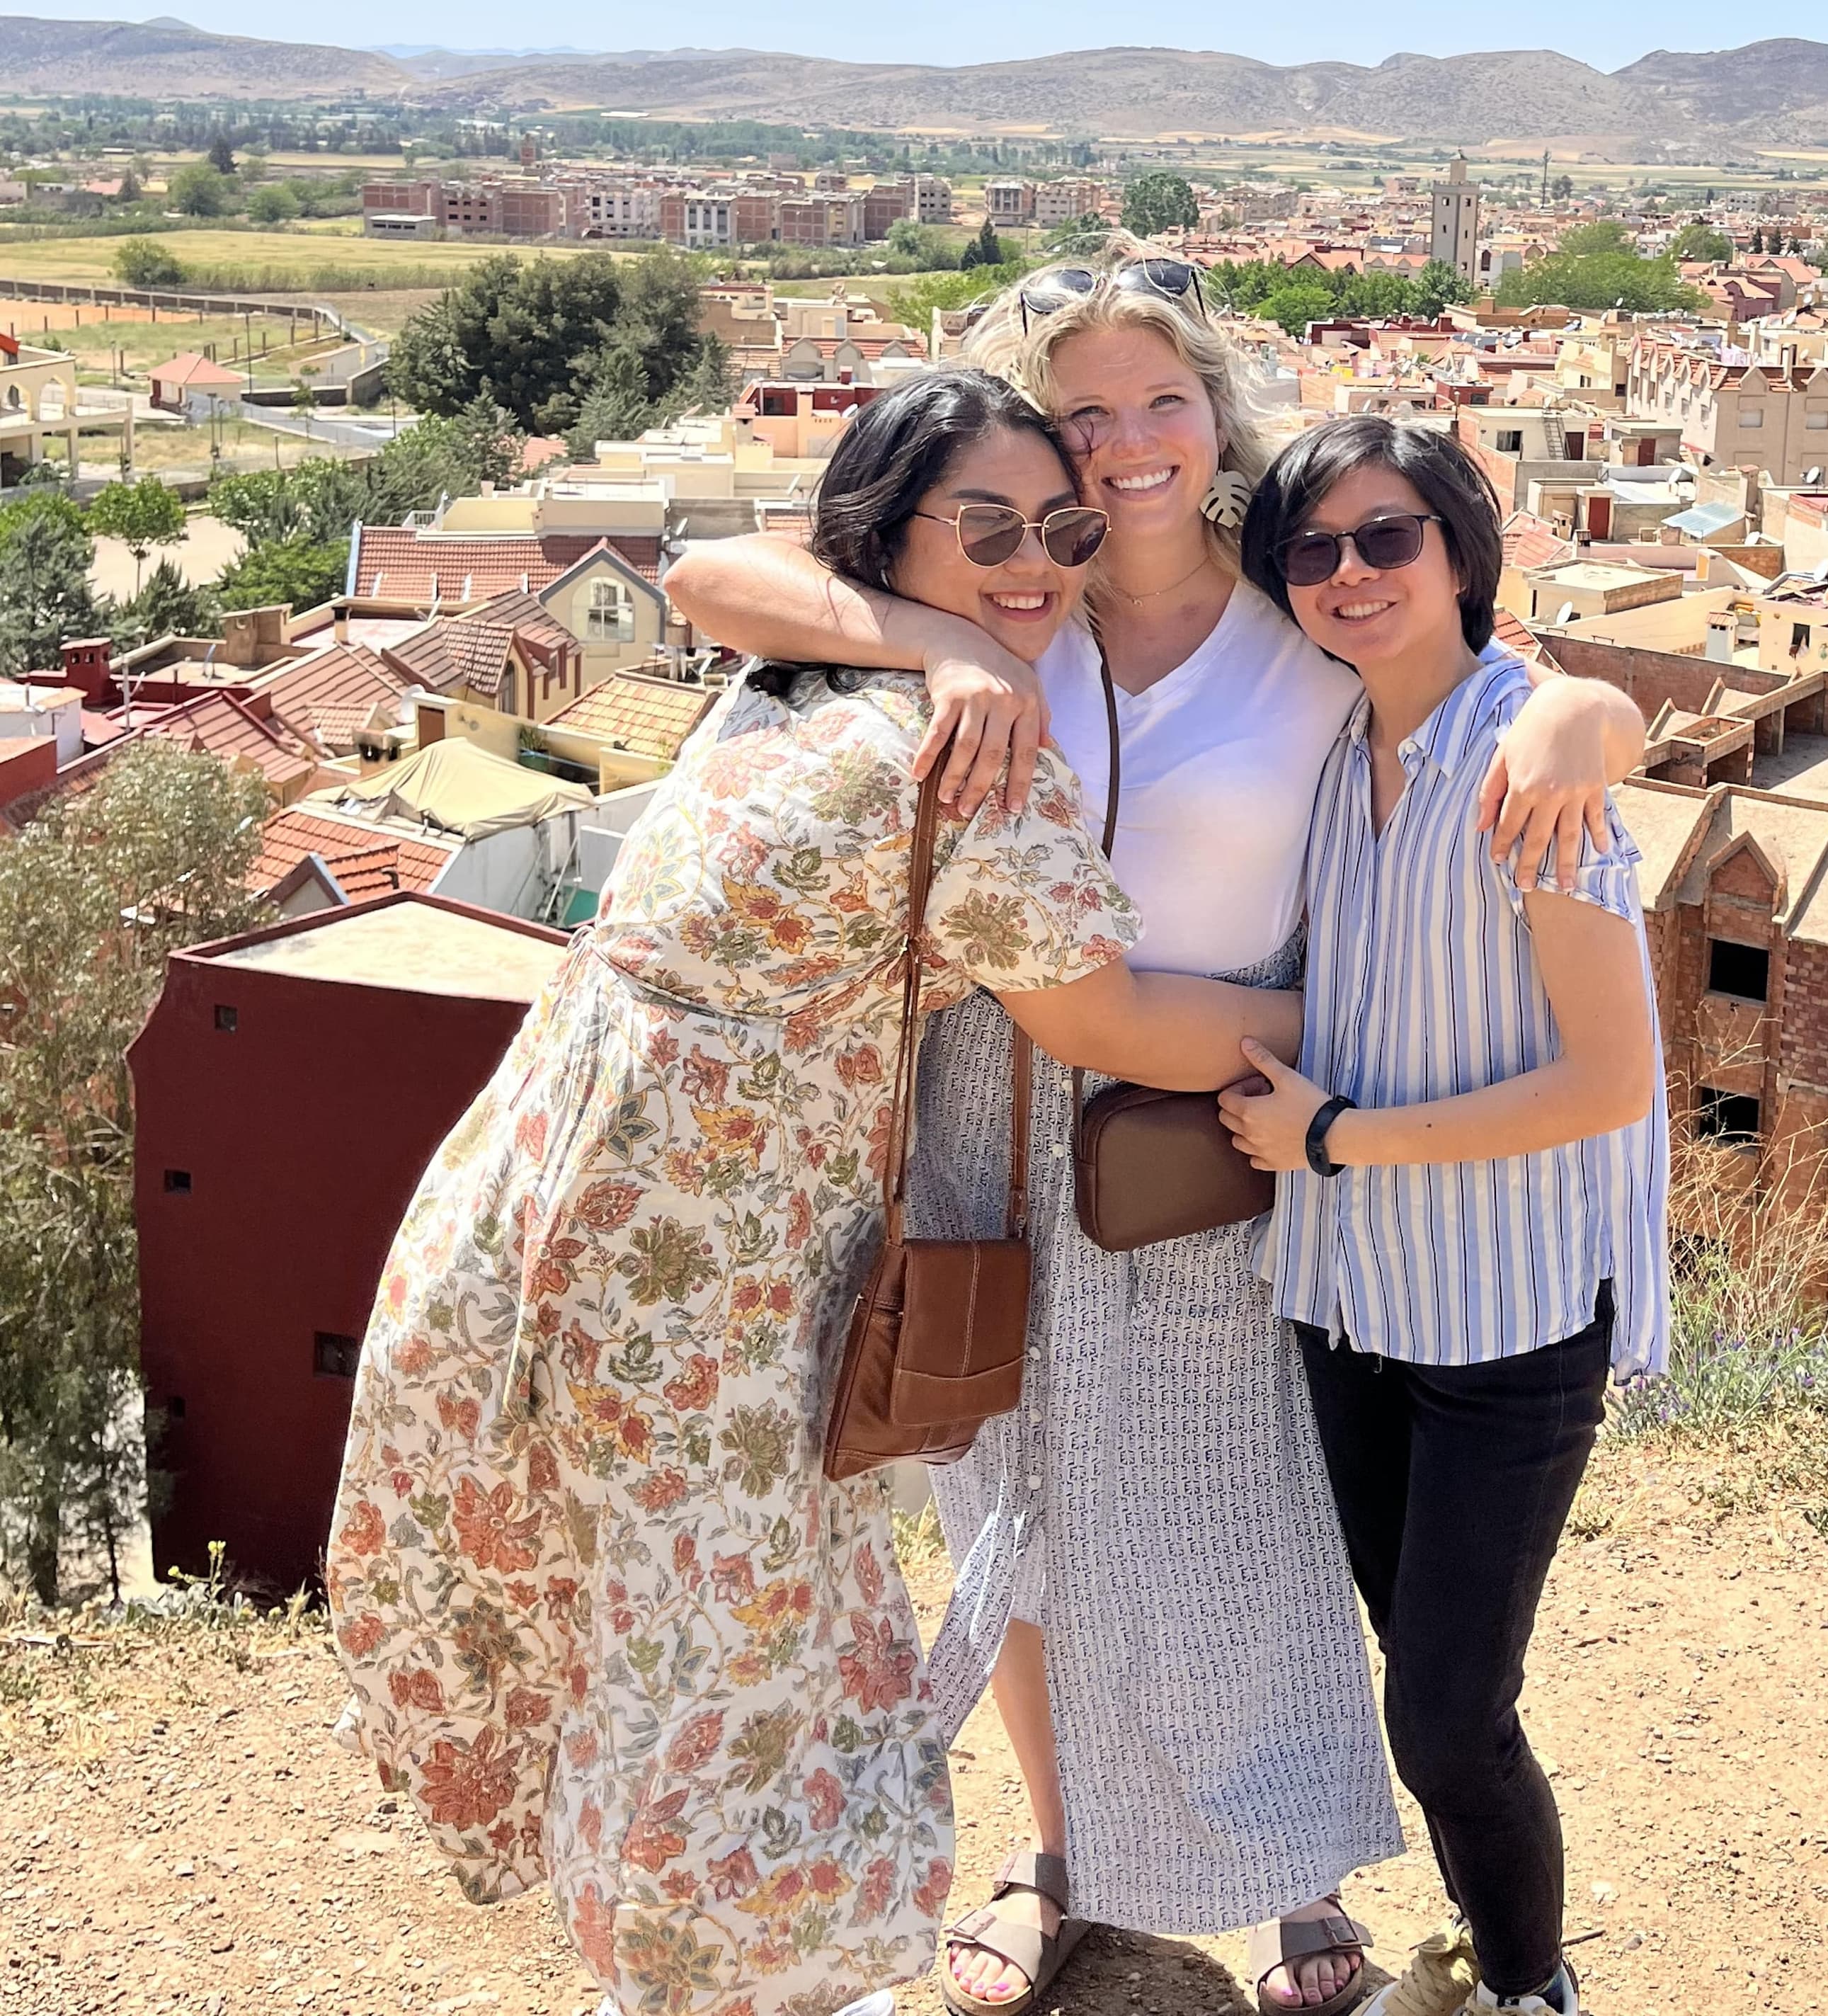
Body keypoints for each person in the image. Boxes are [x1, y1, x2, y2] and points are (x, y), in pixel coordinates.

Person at [664, 241, 1649, 2016]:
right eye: (1083, 414)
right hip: (992, 1093)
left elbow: (1510, 686)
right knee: (1011, 1490)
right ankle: (1061, 1854)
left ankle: (1282, 1876)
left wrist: (1590, 712)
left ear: (1217, 415)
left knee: (1237, 1498)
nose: (1125, 445)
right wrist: (937, 649)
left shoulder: (1301, 599)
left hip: (1231, 1100)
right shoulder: (1001, 597)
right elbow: (708, 575)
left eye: (1162, 402)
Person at [325, 369, 1310, 2016]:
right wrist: (1349, 1021)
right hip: (709, 1277)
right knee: (741, 1651)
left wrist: (944, 633)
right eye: (988, 528)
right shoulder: (968, 756)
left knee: (636, 1624)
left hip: (542, 1202)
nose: (1036, 565)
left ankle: (664, 1967)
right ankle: (749, 1981)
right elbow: (1114, 1022)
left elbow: (718, 579)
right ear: (887, 534)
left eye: (1062, 531)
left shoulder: (792, 674)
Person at [1218, 416, 1671, 2016]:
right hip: (1350, 1304)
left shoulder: (1526, 766)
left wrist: (1335, 1138)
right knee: (1427, 1675)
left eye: (1387, 535)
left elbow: (1608, 1079)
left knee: (1449, 1719)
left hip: (1505, 1316)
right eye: (1312, 549)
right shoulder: (1334, 752)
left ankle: (1530, 1989)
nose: (1349, 572)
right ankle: (1497, 1957)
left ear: (1461, 549)